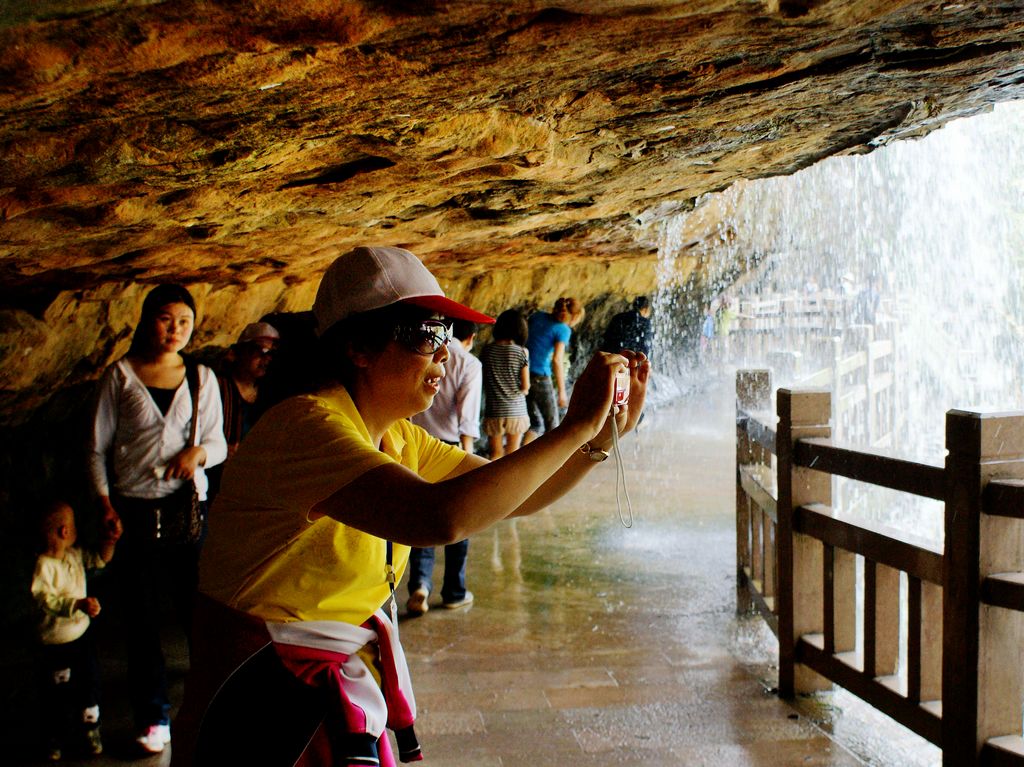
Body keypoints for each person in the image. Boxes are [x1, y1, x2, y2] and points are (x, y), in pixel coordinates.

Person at [175, 245, 649, 767]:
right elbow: (439, 517)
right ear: (359, 346)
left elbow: (521, 494)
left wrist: (600, 439)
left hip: (322, 684)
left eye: (446, 336)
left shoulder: (397, 437)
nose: (445, 354)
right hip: (259, 699)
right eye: (428, 335)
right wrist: (575, 425)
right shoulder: (305, 427)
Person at [88, 283, 227, 755]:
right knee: (141, 618)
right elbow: (96, 447)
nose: (175, 330)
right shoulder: (121, 376)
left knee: (197, 611)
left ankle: (209, 700)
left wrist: (199, 452)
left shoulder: (202, 378)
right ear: (148, 320)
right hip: (133, 511)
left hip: (185, 509)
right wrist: (104, 503)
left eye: (184, 322)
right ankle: (153, 715)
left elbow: (220, 442)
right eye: (166, 319)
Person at [31, 500, 121, 761]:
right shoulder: (43, 567)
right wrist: (78, 604)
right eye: (73, 525)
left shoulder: (75, 555)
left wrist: (110, 541)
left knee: (88, 683)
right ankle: (54, 737)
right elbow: (46, 600)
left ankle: (90, 728)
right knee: (55, 692)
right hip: (54, 645)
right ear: (64, 532)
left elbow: (100, 560)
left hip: (81, 638)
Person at [407, 318, 482, 615]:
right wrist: (469, 460)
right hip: (450, 448)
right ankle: (453, 590)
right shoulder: (468, 364)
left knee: (421, 519)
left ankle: (419, 585)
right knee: (459, 522)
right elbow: (468, 416)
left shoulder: (424, 353)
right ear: (471, 338)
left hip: (415, 442)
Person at [206, 321, 280, 499]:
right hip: (216, 480)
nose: (266, 358)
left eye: (271, 353)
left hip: (252, 481)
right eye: (260, 351)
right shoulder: (216, 386)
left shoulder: (269, 394)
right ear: (237, 353)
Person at [524, 296, 585, 443]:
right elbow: (557, 360)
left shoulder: (537, 316)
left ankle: (520, 458)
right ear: (575, 316)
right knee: (553, 425)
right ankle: (552, 464)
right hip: (540, 377)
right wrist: (562, 392)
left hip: (523, 373)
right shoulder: (563, 329)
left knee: (535, 423)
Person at [480, 308, 531, 459]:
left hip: (494, 410)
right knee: (512, 455)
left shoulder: (487, 351)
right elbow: (525, 386)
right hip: (516, 410)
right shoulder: (521, 352)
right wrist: (525, 390)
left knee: (495, 454)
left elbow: (485, 379)